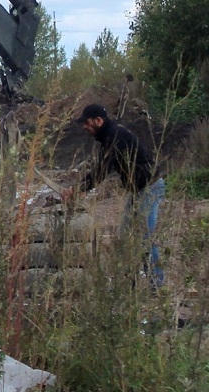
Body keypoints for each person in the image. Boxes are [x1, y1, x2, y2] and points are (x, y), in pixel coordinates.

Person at [65, 103, 166, 288]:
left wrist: (78, 190)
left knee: (144, 236)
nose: (84, 127)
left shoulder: (115, 135)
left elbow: (103, 169)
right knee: (125, 236)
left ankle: (157, 285)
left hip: (150, 188)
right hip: (137, 190)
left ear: (98, 120)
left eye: (87, 123)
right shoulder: (108, 137)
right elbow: (101, 167)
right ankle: (128, 283)